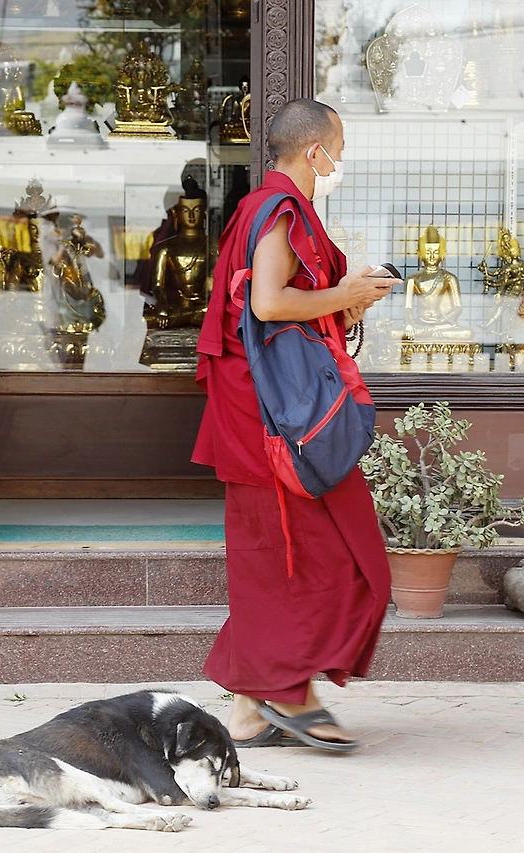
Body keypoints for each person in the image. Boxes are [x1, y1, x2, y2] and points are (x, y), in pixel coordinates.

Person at [193, 99, 397, 752]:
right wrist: (348, 295)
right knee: (324, 557)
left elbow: (287, 306)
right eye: (340, 146)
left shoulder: (277, 209)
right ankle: (289, 695)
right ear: (316, 153)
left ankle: (252, 710)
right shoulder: (275, 209)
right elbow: (269, 302)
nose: (343, 161)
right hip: (275, 420)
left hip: (274, 408)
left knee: (280, 561)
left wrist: (347, 295)